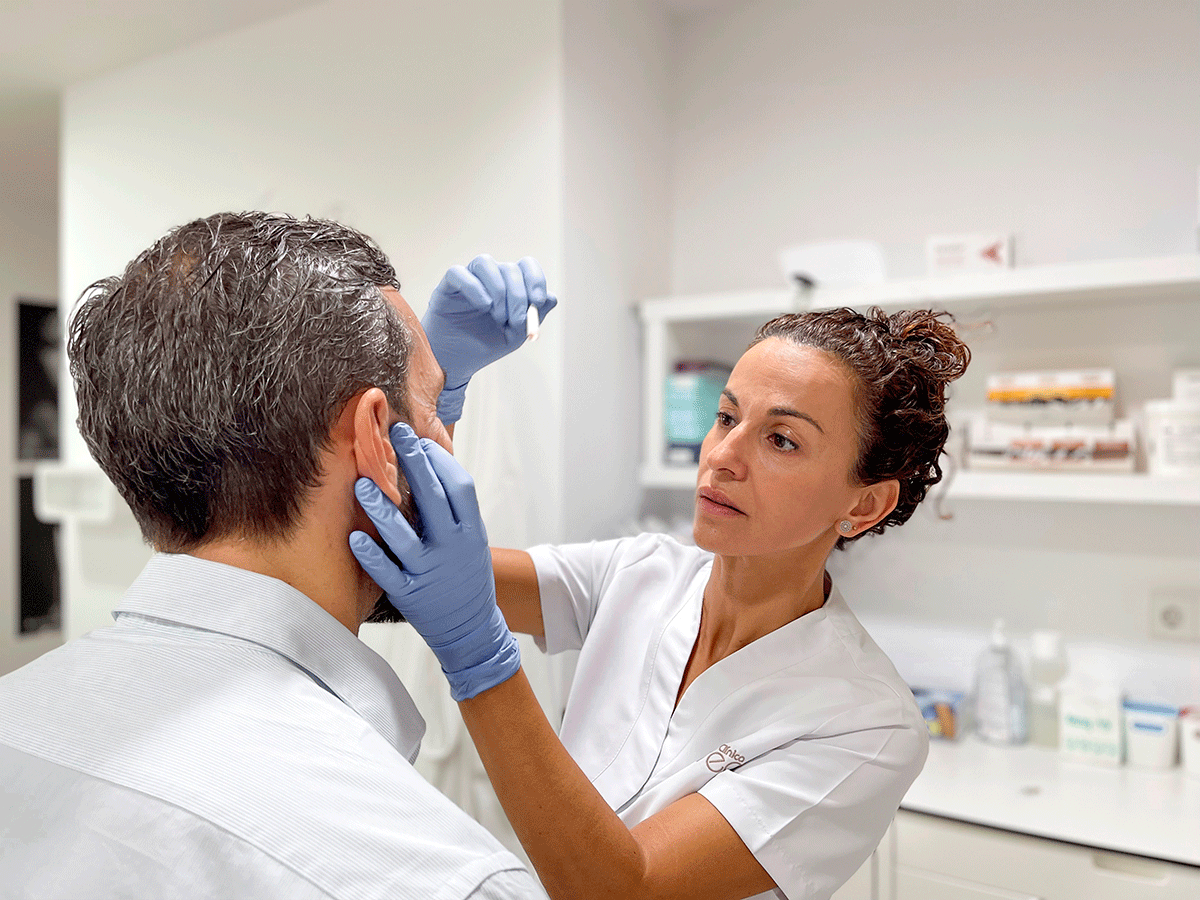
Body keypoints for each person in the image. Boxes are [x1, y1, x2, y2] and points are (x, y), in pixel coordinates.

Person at [0, 212, 556, 900]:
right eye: (436, 409)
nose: (445, 441)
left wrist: (414, 403)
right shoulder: (449, 880)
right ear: (376, 437)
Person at [352, 302, 971, 900]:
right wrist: (429, 394)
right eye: (726, 417)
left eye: (781, 440)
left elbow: (620, 888)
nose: (721, 457)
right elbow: (406, 566)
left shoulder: (869, 722)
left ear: (864, 504)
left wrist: (480, 660)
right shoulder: (643, 572)